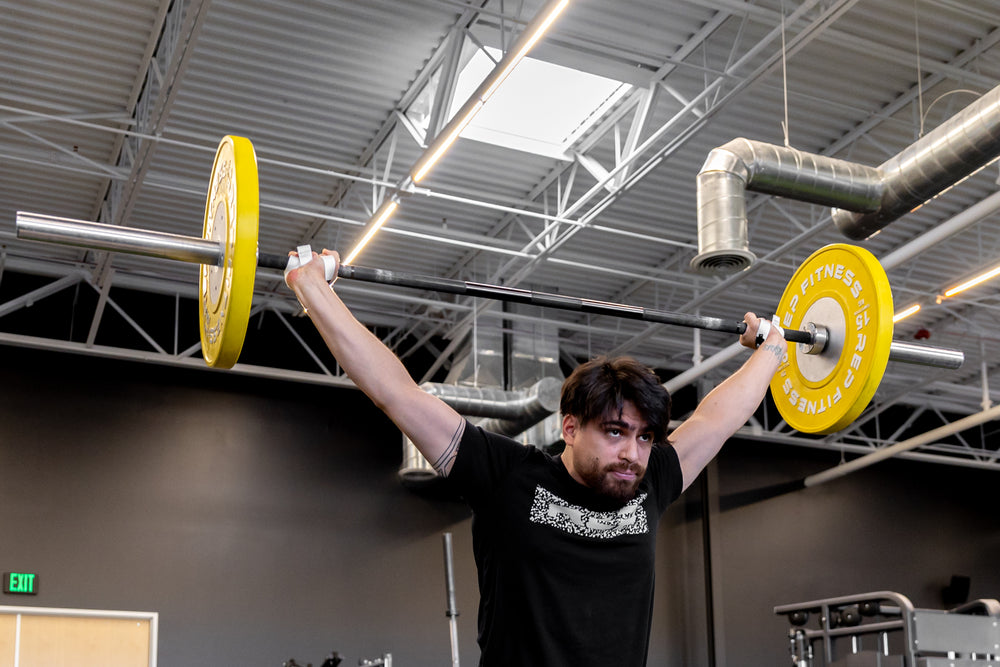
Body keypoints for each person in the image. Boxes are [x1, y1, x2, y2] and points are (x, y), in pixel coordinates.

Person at [284, 248, 787, 667]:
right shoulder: (508, 476)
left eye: (644, 437)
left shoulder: (649, 479)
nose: (632, 452)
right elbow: (397, 393)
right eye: (615, 432)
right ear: (569, 428)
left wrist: (769, 352)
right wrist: (313, 288)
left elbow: (716, 420)